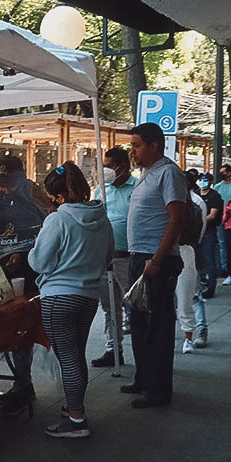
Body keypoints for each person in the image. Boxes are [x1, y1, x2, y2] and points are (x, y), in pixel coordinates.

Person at [28, 162, 113, 438]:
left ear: (59, 197)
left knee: (68, 358)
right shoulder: (102, 218)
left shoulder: (58, 219)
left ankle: (76, 421)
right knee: (76, 356)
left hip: (58, 298)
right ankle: (75, 409)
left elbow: (39, 262)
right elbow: (108, 257)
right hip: (88, 297)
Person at [0, 155, 53, 416]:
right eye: (2, 184)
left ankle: (23, 384)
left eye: (10, 184)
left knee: (23, 331)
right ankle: (8, 383)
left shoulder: (36, 198)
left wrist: (26, 253)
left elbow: (49, 232)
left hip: (31, 276)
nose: (5, 189)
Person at [122, 122, 185, 409]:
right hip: (139, 256)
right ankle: (143, 378)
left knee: (157, 325)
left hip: (155, 258)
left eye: (136, 145)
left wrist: (158, 259)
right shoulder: (146, 174)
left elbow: (176, 219)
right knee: (137, 321)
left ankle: (158, 390)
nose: (132, 151)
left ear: (154, 146)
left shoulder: (169, 173)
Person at [91, 147, 138, 368]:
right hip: (103, 257)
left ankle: (142, 351)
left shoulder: (137, 188)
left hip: (128, 257)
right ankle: (113, 349)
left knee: (135, 305)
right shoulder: (101, 190)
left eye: (109, 166)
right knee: (110, 307)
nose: (105, 170)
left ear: (122, 166)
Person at [175, 172, 209, 354]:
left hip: (186, 251)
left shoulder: (196, 204)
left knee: (189, 297)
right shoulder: (190, 203)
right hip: (181, 251)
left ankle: (193, 334)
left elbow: (199, 232)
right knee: (184, 297)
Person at [195, 171, 224, 299]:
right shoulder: (195, 194)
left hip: (208, 231)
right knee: (197, 259)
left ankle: (211, 287)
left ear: (211, 182)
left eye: (205, 180)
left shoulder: (215, 196)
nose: (202, 182)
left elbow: (213, 215)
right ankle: (201, 281)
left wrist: (199, 219)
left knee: (209, 259)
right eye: (200, 179)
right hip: (195, 231)